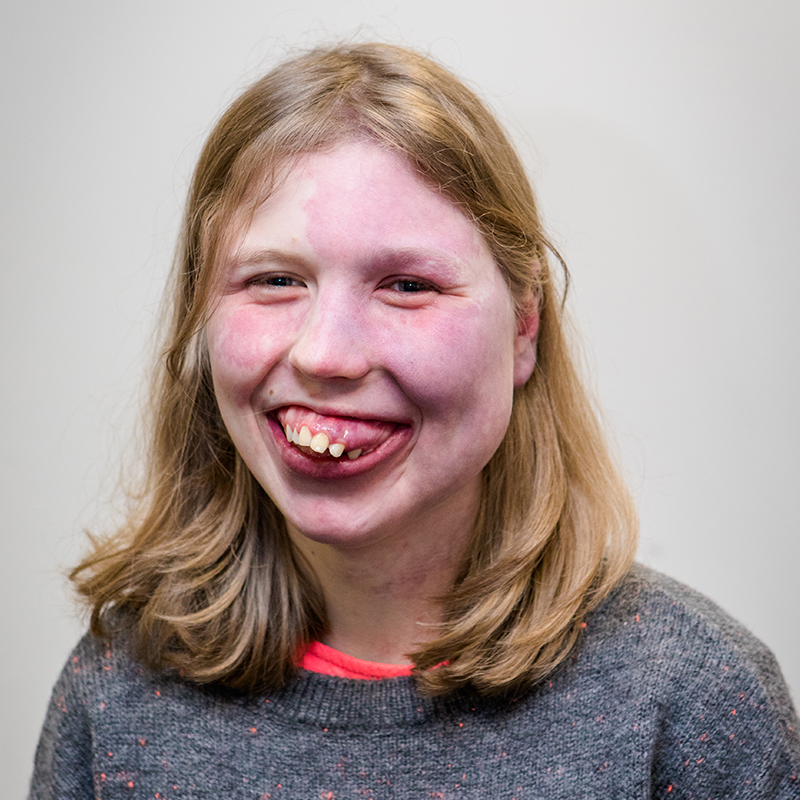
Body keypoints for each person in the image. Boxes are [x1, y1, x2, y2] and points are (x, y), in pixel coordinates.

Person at [29, 42, 800, 799]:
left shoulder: (695, 704)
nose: (326, 354)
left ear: (524, 327)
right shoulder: (118, 690)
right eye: (273, 280)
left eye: (405, 284)